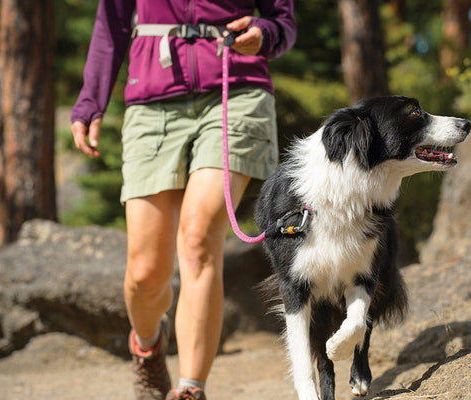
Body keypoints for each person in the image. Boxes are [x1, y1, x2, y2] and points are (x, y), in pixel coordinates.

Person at [70, 1, 296, 399]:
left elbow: (283, 21)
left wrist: (265, 33)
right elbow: (112, 23)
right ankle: (147, 346)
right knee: (145, 274)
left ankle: (192, 389)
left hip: (235, 88)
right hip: (152, 97)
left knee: (198, 239)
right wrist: (91, 98)